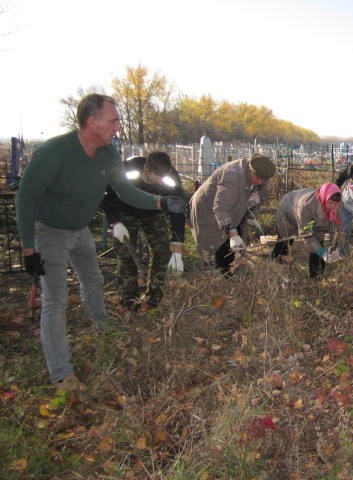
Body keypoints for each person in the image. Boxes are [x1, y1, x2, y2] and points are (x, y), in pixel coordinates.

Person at [15, 93, 184, 391]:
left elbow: (125, 192)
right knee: (55, 300)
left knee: (93, 280)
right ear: (92, 121)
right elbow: (25, 198)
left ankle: (104, 330)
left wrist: (161, 202)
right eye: (114, 119)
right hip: (49, 231)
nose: (118, 125)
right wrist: (29, 250)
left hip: (80, 230)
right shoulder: (55, 153)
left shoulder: (108, 154)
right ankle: (61, 373)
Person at [102, 152, 186, 310]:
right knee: (126, 254)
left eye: (163, 178)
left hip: (153, 214)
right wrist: (115, 222)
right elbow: (107, 195)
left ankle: (153, 298)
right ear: (146, 168)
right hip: (125, 212)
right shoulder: (127, 170)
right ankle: (128, 299)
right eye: (156, 177)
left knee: (162, 251)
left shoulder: (171, 180)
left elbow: (178, 212)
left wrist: (177, 248)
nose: (160, 182)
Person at [189, 152, 276, 275]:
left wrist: (252, 217)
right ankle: (218, 274)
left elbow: (257, 199)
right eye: (258, 178)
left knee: (235, 239)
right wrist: (232, 233)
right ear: (250, 171)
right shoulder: (233, 175)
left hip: (233, 208)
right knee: (220, 243)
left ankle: (227, 269)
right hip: (207, 209)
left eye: (264, 180)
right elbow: (220, 208)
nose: (261, 182)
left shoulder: (261, 176)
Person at [271, 183, 343, 278]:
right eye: (330, 203)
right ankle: (276, 261)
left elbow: (335, 227)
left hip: (312, 218)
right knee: (285, 238)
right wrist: (323, 253)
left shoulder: (337, 204)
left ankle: (317, 277)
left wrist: (333, 245)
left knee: (318, 243)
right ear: (324, 197)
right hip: (288, 210)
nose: (332, 206)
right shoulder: (306, 206)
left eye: (335, 204)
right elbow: (307, 235)